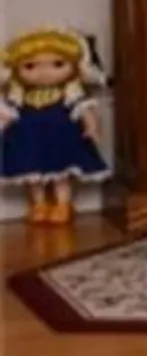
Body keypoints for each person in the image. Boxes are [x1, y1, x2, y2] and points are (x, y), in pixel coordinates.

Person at [3, 29, 110, 225]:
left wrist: (92, 126)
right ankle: (39, 204)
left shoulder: (70, 91)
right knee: (33, 176)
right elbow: (8, 113)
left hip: (61, 140)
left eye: (58, 64)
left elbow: (83, 107)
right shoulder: (19, 95)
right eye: (30, 66)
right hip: (29, 141)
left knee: (61, 175)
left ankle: (63, 204)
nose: (44, 73)